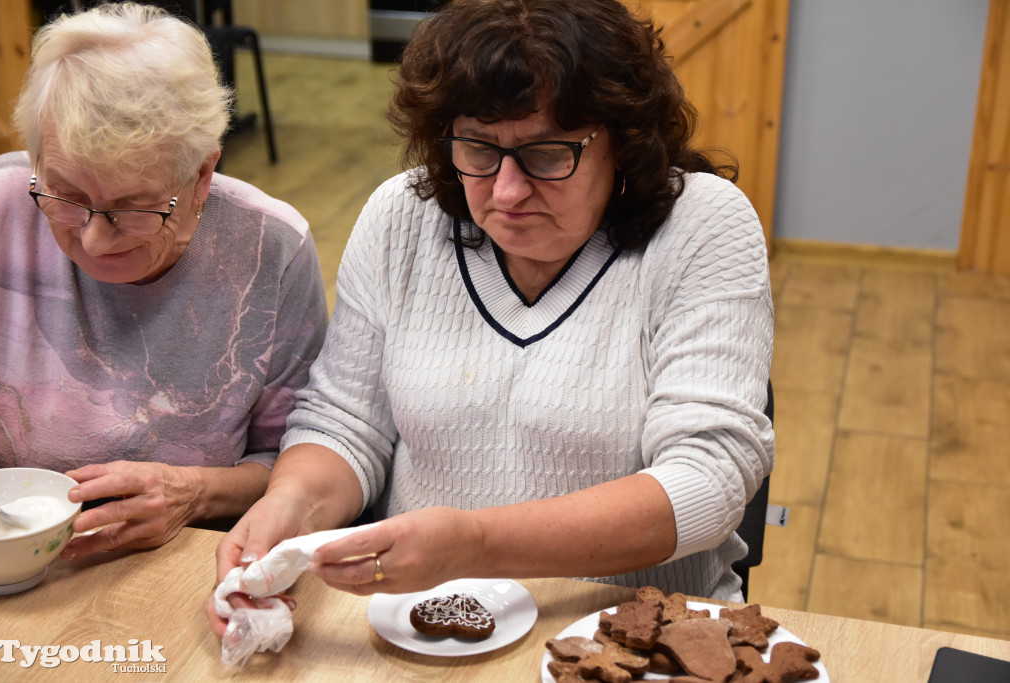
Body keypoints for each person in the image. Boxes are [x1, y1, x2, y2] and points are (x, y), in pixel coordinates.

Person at [209, 0, 773, 635]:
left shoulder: (702, 225)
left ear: (625, 140)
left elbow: (709, 481)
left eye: (547, 154)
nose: (506, 190)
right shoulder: (402, 217)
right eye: (477, 147)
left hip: (635, 635)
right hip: (419, 625)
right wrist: (291, 507)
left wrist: (476, 542)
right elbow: (344, 423)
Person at [0, 3, 327, 560]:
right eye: (66, 197)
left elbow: (297, 460)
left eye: (134, 207)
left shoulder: (269, 249)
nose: (95, 240)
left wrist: (192, 494)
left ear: (201, 175)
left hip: (185, 560)